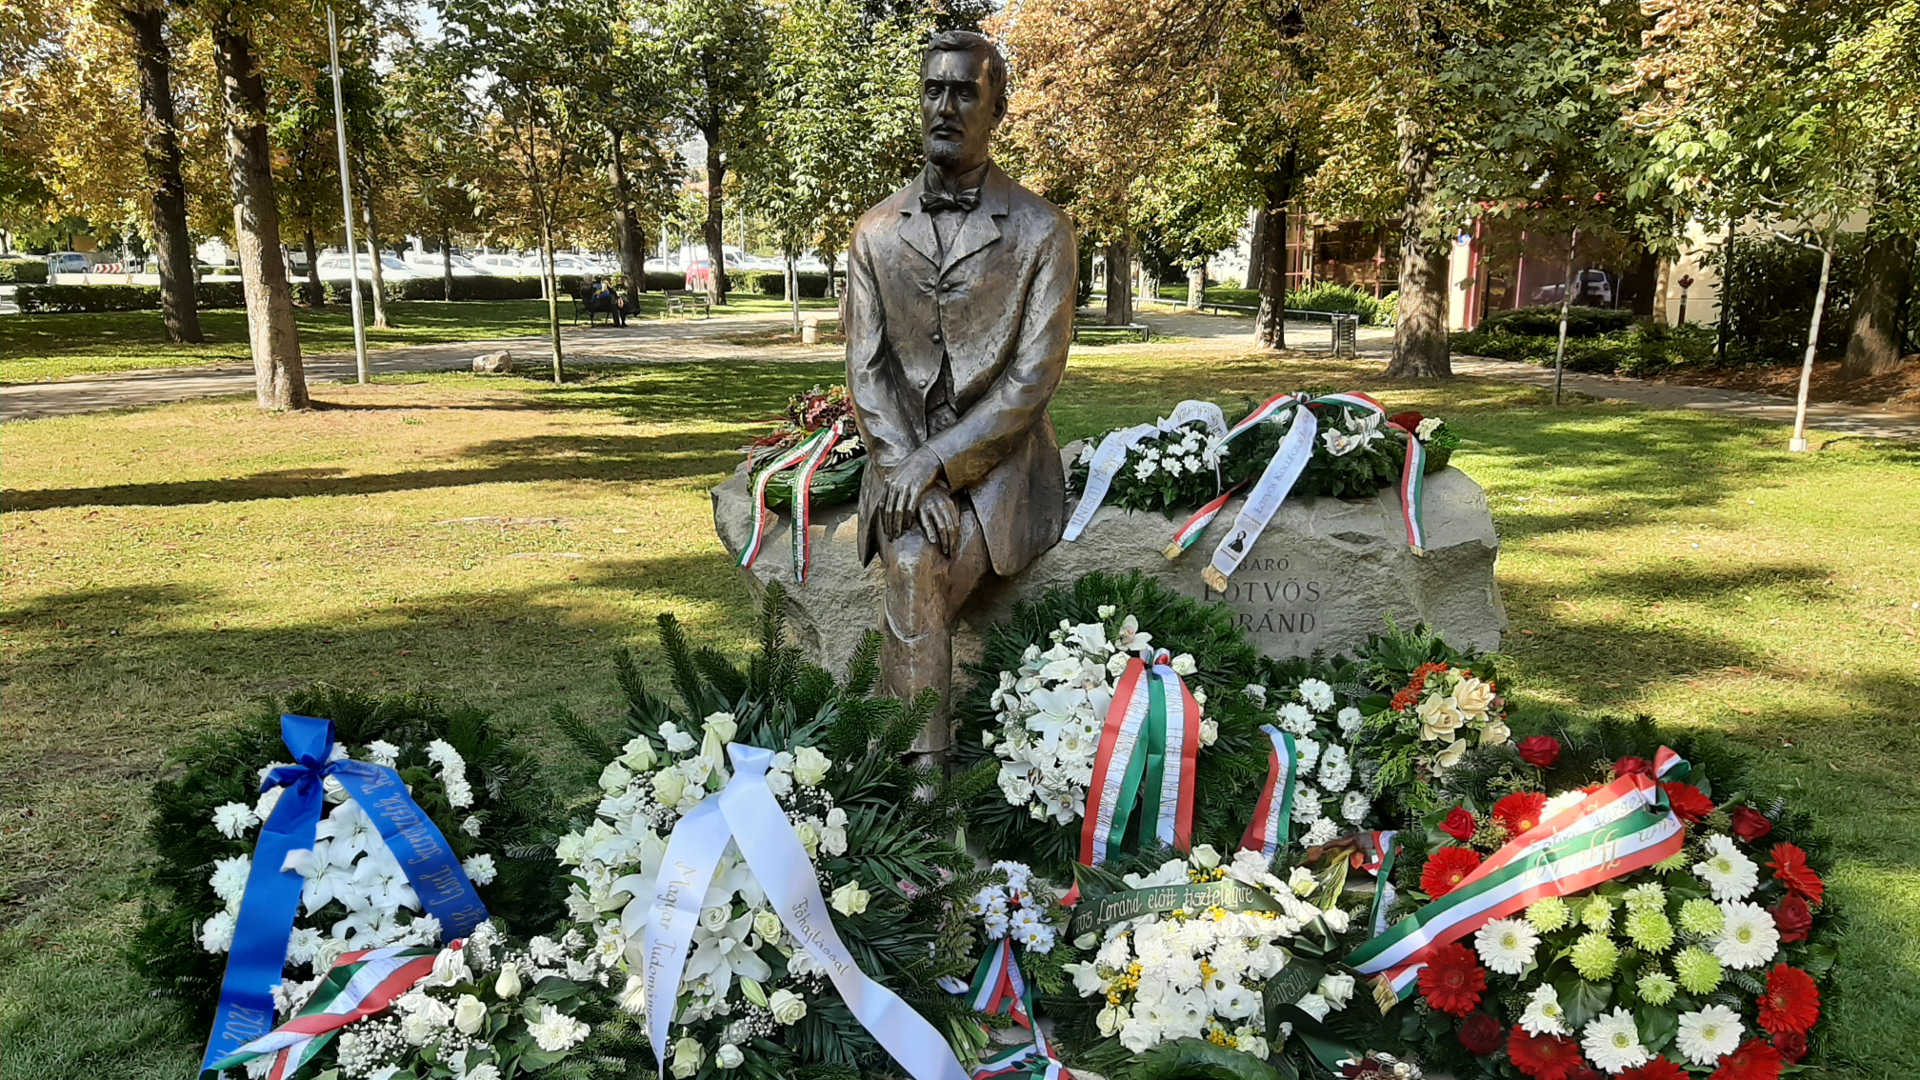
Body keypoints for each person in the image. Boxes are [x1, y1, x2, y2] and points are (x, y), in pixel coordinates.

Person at [843, 30, 1076, 763]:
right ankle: (920, 778)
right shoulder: (875, 233)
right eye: (933, 90)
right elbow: (867, 370)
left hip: (1003, 467)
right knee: (914, 554)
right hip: (901, 455)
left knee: (914, 563)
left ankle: (911, 788)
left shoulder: (1043, 230)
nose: (944, 106)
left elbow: (1031, 381)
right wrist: (905, 464)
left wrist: (934, 465)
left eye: (964, 91)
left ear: (997, 106)